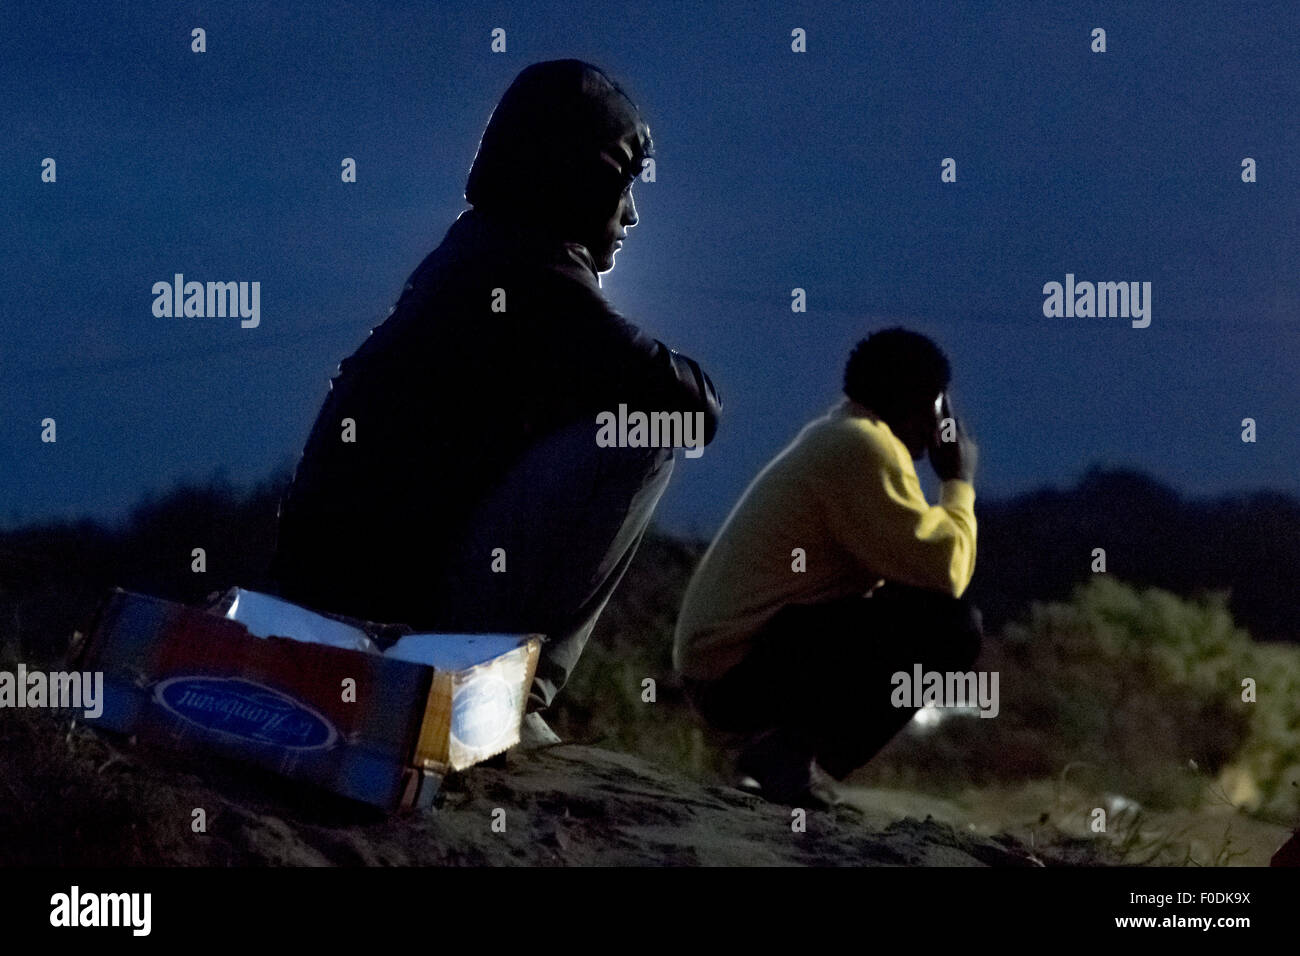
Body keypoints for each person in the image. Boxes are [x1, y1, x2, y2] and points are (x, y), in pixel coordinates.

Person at [271, 60, 721, 746]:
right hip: (379, 617)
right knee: (644, 430)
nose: (631, 215)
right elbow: (693, 406)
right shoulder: (528, 273)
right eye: (623, 187)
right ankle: (510, 693)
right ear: (582, 177)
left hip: (330, 599)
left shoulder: (474, 251)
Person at [673, 328, 981, 805]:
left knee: (914, 608)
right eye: (942, 406)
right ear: (926, 402)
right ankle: (784, 757)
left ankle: (787, 759)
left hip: (730, 663)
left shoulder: (848, 436)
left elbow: (916, 574)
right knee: (953, 627)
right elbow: (947, 573)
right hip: (734, 672)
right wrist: (958, 482)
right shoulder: (862, 446)